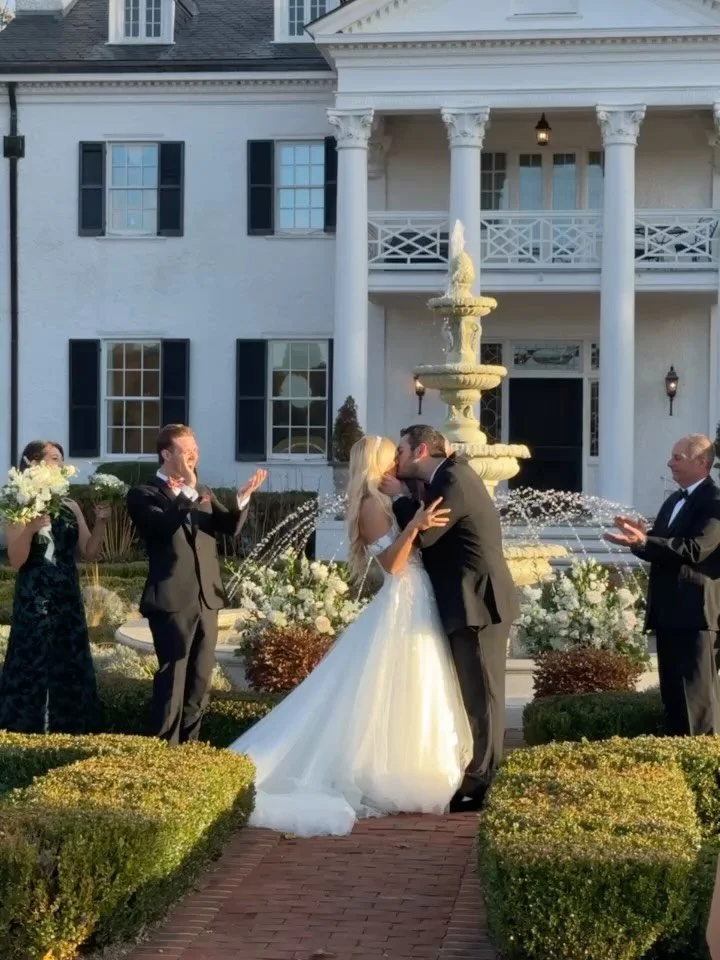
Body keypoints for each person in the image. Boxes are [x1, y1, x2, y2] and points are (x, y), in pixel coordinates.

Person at [228, 435, 472, 837]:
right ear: (376, 461)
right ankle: (387, 772)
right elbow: (391, 564)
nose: (398, 460)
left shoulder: (386, 497)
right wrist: (413, 526)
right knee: (394, 683)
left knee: (414, 686)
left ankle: (410, 763)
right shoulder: (370, 506)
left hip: (417, 595)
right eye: (391, 455)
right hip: (403, 597)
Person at [381, 424, 518, 811]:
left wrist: (397, 499)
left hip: (477, 602)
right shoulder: (446, 477)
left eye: (402, 453)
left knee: (483, 694)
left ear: (421, 450)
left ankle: (482, 782)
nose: (397, 461)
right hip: (464, 601)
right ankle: (477, 773)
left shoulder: (455, 479)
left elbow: (426, 535)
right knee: (473, 692)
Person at [126, 424, 266, 745]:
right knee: (173, 678)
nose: (194, 456)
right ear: (166, 453)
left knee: (201, 679)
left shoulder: (202, 490)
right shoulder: (143, 493)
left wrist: (242, 499)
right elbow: (160, 527)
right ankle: (164, 749)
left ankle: (190, 750)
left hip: (207, 598)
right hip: (172, 599)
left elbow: (227, 527)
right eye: (187, 451)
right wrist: (187, 491)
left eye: (196, 451)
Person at [604, 433, 720, 736]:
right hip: (669, 613)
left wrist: (647, 540)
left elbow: (696, 549)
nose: (669, 463)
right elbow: (662, 546)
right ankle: (674, 766)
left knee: (697, 700)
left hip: (696, 615)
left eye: (677, 458)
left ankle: (704, 768)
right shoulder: (673, 500)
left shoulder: (713, 502)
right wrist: (638, 540)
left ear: (702, 462)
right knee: (673, 698)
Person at [0, 440, 109, 734]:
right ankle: (28, 727)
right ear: (34, 465)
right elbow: (16, 559)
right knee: (32, 659)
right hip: (34, 595)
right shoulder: (18, 503)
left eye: (61, 460)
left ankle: (72, 727)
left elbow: (89, 551)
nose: (59, 465)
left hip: (66, 596)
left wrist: (100, 522)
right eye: (53, 458)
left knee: (69, 659)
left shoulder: (70, 506)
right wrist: (32, 527)